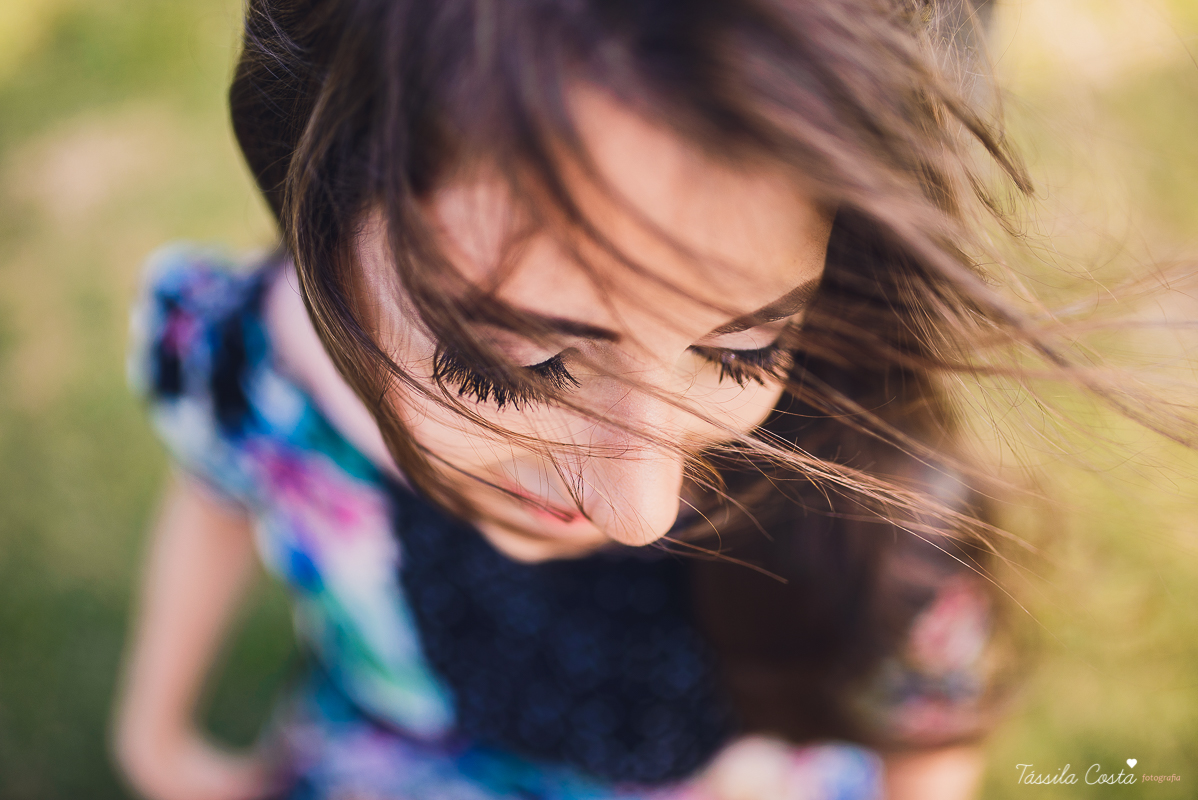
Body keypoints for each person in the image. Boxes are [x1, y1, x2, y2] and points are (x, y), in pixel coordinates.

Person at [113, 0, 1036, 798]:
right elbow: (222, 487)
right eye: (521, 367)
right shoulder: (252, 371)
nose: (642, 509)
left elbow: (928, 720)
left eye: (746, 350)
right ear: (316, 211)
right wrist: (155, 730)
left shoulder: (865, 478)